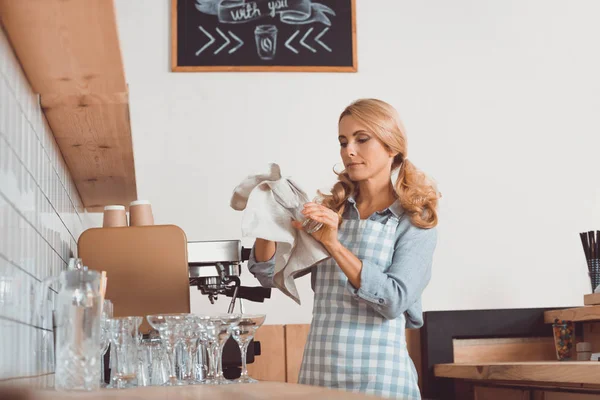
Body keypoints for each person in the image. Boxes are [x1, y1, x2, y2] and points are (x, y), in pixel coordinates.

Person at [248, 98, 440, 399]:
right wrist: (267, 218)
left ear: (392, 147)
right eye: (343, 141)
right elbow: (268, 274)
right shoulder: (332, 211)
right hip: (319, 376)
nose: (349, 150)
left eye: (362, 139)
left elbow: (394, 300)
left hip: (383, 381)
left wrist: (334, 245)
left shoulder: (415, 220)